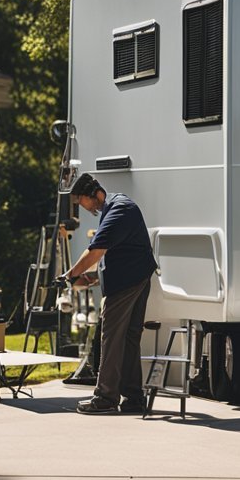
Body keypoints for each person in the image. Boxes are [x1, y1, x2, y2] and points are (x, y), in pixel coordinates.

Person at [63, 173, 158, 414]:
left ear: (93, 194)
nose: (82, 208)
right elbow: (121, 252)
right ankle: (134, 398)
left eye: (80, 201)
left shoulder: (118, 209)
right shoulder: (115, 206)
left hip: (127, 283)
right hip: (136, 277)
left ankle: (105, 397)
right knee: (128, 338)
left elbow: (95, 252)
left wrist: (70, 275)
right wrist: (92, 278)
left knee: (112, 336)